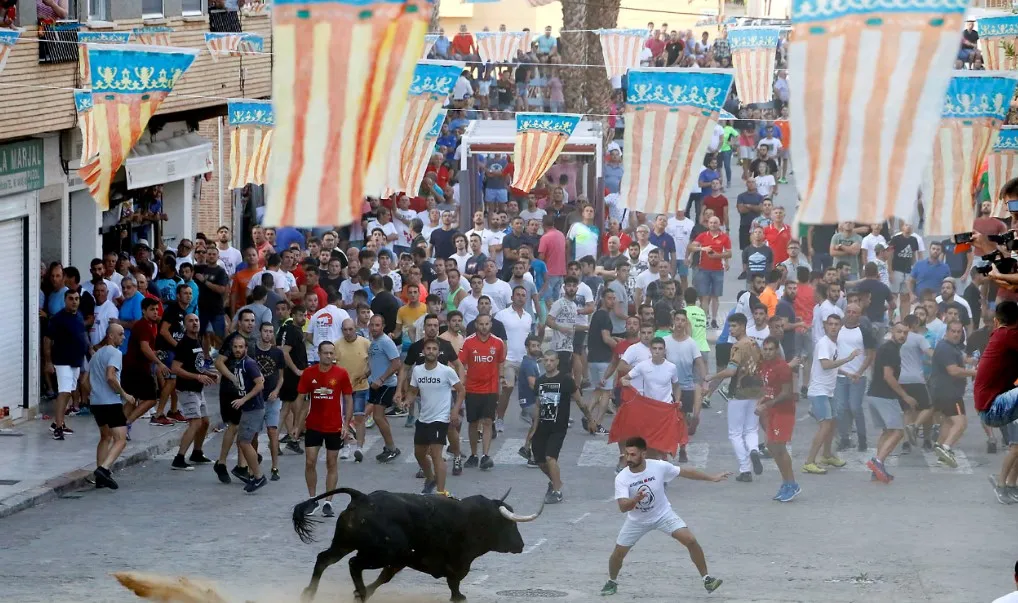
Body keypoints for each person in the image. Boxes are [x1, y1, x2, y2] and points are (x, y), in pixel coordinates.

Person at [601, 436, 727, 597]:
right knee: (618, 553)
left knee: (690, 540)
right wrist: (635, 499)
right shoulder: (622, 478)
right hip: (637, 521)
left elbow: (685, 472)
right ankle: (612, 581)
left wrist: (711, 478)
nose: (628, 458)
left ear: (643, 454)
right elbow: (622, 507)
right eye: (626, 454)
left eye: (633, 455)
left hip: (663, 515)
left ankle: (707, 579)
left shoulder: (658, 467)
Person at [703, 313, 764, 481]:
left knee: (735, 433)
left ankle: (745, 470)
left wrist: (712, 377)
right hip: (756, 390)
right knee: (751, 429)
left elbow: (731, 371)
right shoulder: (754, 343)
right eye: (730, 326)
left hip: (738, 391)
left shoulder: (738, 346)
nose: (731, 329)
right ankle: (753, 449)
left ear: (743, 326)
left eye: (734, 326)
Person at [296, 341, 354, 517]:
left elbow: (349, 399)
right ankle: (312, 499)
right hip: (313, 424)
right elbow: (301, 399)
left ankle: (328, 502)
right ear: (319, 354)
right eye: (326, 353)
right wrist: (296, 424)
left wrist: (346, 424)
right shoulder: (308, 373)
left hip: (334, 426)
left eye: (331, 353)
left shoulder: (341, 374)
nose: (329, 356)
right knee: (310, 462)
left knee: (331, 463)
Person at [407, 338, 464, 496]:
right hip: (424, 418)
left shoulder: (446, 371)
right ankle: (430, 478)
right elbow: (412, 391)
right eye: (428, 348)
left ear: (439, 353)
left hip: (441, 418)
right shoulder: (418, 370)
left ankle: (440, 492)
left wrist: (455, 411)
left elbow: (461, 390)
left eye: (434, 349)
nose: (431, 351)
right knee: (419, 453)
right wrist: (407, 401)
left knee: (436, 454)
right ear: (423, 352)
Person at [803, 314, 857, 474]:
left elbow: (831, 365)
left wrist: (847, 374)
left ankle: (827, 455)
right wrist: (848, 359)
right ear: (825, 326)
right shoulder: (824, 343)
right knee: (825, 425)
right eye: (830, 324)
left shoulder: (833, 344)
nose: (833, 327)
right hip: (819, 391)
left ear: (840, 326)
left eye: (836, 324)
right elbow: (826, 365)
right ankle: (809, 462)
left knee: (832, 423)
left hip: (828, 391)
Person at [528, 350, 582, 505]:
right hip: (542, 426)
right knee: (540, 461)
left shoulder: (565, 380)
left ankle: (557, 491)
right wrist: (533, 430)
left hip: (558, 427)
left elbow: (579, 400)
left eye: (552, 360)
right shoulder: (540, 381)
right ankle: (555, 481)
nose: (548, 363)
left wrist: (590, 418)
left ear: (557, 362)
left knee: (550, 458)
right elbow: (538, 406)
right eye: (546, 360)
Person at [84, 324, 132, 489]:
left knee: (105, 437)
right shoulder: (115, 353)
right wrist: (125, 395)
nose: (123, 337)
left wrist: (92, 395)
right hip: (111, 402)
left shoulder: (97, 355)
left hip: (96, 402)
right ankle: (104, 470)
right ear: (111, 336)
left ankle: (100, 478)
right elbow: (111, 377)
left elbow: (84, 381)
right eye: (120, 334)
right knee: (121, 440)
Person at [866, 322, 914, 484]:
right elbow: (888, 376)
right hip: (884, 396)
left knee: (887, 432)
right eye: (899, 331)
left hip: (874, 394)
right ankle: (877, 462)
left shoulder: (887, 348)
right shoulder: (891, 350)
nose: (902, 335)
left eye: (905, 333)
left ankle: (877, 469)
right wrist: (905, 396)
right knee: (898, 432)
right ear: (893, 331)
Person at [170, 314, 218, 473]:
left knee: (205, 422)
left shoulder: (196, 341)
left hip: (197, 389)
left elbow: (195, 365)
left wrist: (207, 373)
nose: (195, 323)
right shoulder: (184, 343)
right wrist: (198, 376)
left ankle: (197, 453)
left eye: (197, 320)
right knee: (196, 422)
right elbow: (175, 368)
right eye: (191, 321)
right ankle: (179, 458)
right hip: (187, 389)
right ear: (185, 325)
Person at [222, 334, 269, 493]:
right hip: (248, 408)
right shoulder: (238, 364)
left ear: (246, 349)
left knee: (244, 442)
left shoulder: (249, 363)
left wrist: (243, 400)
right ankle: (254, 474)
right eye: (235, 347)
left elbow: (260, 385)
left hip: (254, 407)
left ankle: (258, 476)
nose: (237, 349)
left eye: (240, 347)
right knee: (244, 441)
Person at [458, 313, 506, 470]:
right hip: (472, 388)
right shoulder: (468, 342)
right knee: (473, 422)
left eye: (487, 324)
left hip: (490, 389)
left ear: (491, 325)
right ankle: (473, 454)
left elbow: (500, 362)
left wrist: (501, 379)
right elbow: (461, 363)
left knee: (487, 421)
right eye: (481, 324)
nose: (484, 327)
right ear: (476, 325)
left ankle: (485, 456)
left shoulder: (498, 343)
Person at [757, 336, 799, 501]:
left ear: (776, 350)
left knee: (779, 448)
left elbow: (786, 393)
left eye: (770, 349)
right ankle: (786, 482)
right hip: (771, 411)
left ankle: (792, 484)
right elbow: (768, 388)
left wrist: (766, 405)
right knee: (771, 446)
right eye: (765, 349)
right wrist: (762, 401)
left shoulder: (782, 368)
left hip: (783, 412)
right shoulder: (764, 365)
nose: (767, 352)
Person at [929, 320, 975, 468]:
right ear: (947, 332)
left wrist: (972, 361)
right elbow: (953, 371)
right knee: (961, 423)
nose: (956, 334)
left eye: (959, 332)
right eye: (953, 331)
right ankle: (945, 448)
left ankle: (940, 452)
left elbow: (961, 359)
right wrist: (974, 372)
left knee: (949, 422)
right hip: (949, 392)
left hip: (943, 391)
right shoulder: (946, 348)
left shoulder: (950, 346)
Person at [44, 289, 88, 440]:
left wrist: (90, 351)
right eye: (71, 298)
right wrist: (48, 362)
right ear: (65, 300)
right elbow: (47, 340)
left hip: (76, 361)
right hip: (62, 361)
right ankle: (58, 428)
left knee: (69, 391)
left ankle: (58, 422)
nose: (74, 301)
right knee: (64, 392)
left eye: (76, 298)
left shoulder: (79, 316)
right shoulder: (58, 319)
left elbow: (82, 335)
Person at [367, 315, 402, 463]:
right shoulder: (374, 341)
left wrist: (381, 379)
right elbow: (377, 362)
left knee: (377, 417)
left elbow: (396, 364)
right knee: (381, 417)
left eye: (377, 325)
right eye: (372, 325)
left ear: (383, 326)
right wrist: (366, 374)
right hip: (375, 384)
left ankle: (392, 448)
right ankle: (389, 447)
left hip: (386, 385)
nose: (374, 328)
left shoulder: (386, 342)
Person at [253, 322, 285, 480]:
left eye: (271, 331)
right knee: (254, 434)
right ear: (260, 332)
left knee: (273, 432)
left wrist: (276, 391)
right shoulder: (253, 350)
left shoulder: (277, 353)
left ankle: (275, 467)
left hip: (273, 398)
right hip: (256, 398)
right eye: (265, 331)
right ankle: (254, 467)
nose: (268, 334)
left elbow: (281, 376)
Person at [277, 304, 309, 452]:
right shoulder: (292, 331)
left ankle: (290, 438)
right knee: (298, 408)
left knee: (287, 408)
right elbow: (284, 352)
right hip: (293, 376)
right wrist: (296, 370)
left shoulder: (293, 330)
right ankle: (290, 438)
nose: (304, 318)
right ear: (294, 315)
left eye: (305, 315)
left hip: (292, 375)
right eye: (301, 315)